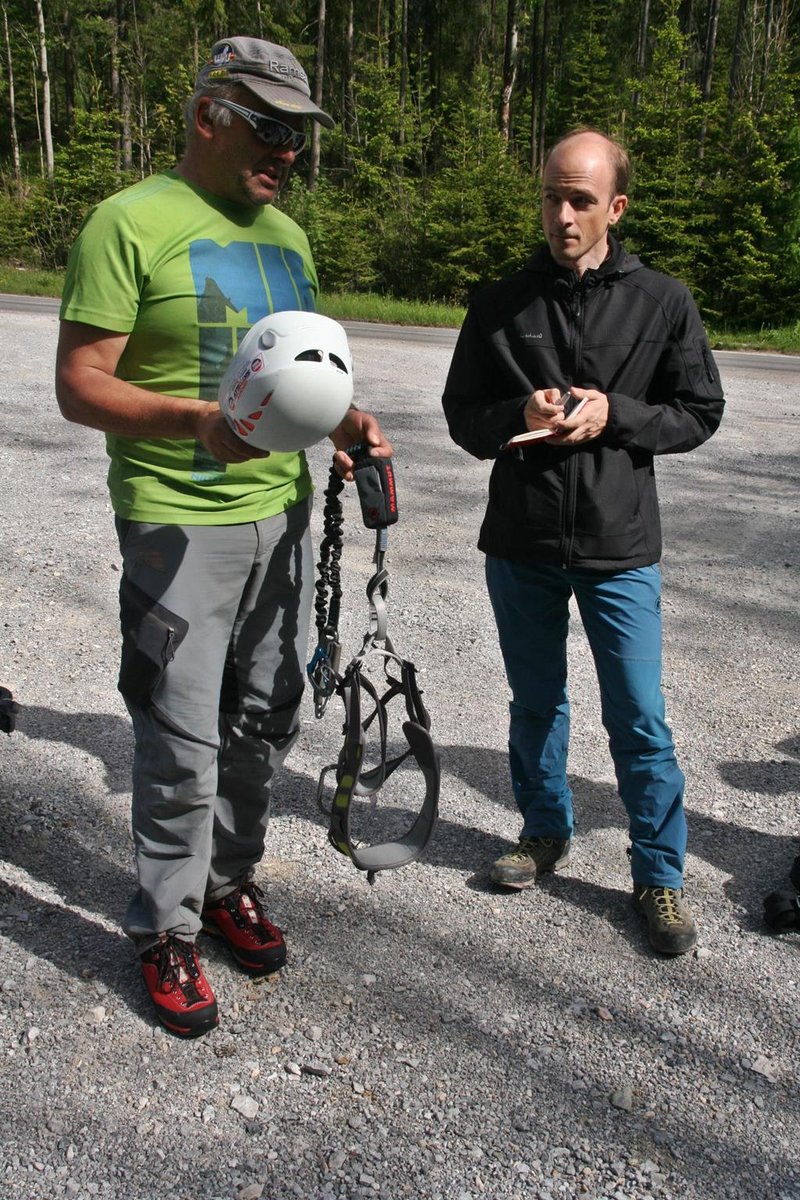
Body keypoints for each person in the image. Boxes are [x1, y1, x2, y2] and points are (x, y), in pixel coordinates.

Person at [55, 35, 392, 1037]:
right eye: (269, 127)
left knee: (268, 717)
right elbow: (79, 387)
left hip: (281, 518)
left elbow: (298, 368)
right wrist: (194, 424)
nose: (288, 151)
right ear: (208, 114)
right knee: (179, 734)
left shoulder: (288, 240)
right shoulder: (127, 224)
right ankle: (166, 927)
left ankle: (230, 881)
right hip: (175, 522)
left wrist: (345, 423)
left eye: (300, 136)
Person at [442, 128, 724, 956]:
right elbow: (464, 417)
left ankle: (660, 876)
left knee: (638, 716)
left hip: (618, 542)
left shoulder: (663, 301)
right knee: (536, 703)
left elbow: (700, 411)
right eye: (551, 197)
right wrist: (516, 418)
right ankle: (542, 831)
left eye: (581, 201)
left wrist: (618, 415)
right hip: (522, 538)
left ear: (617, 207)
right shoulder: (500, 302)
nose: (562, 216)